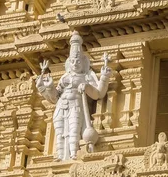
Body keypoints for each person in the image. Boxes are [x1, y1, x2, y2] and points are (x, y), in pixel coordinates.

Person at [36, 32, 111, 160]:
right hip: (61, 105)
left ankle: (73, 155)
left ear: (83, 62)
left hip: (76, 105)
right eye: (72, 61)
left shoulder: (87, 76)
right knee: (59, 132)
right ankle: (60, 155)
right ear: (69, 63)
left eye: (78, 61)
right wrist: (48, 86)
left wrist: (102, 78)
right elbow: (54, 97)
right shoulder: (64, 77)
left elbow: (99, 93)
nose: (75, 63)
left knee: (74, 131)